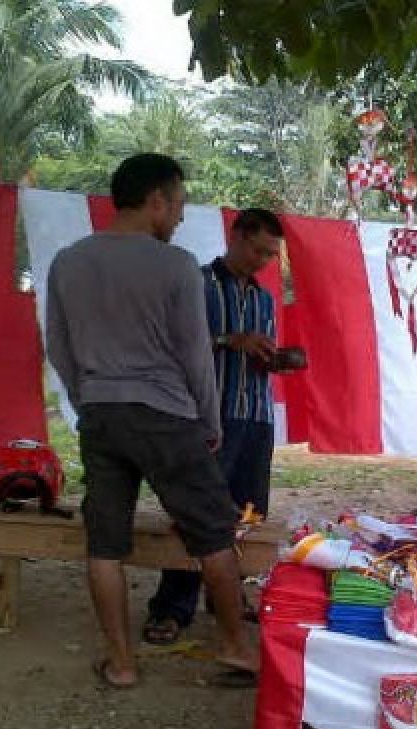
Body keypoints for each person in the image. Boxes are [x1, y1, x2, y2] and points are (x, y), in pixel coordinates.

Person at [45, 153, 258, 688]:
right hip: (166, 414)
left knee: (105, 543)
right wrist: (211, 421)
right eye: (179, 204)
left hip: (100, 414)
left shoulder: (68, 261)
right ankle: (235, 647)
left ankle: (121, 663)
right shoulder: (177, 265)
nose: (181, 217)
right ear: (156, 200)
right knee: (214, 533)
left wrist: (87, 399)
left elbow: (59, 347)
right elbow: (195, 356)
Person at [145, 209, 285, 646]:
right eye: (259, 249)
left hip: (256, 417)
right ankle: (172, 607)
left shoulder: (263, 299)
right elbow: (170, 346)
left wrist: (274, 359)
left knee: (246, 515)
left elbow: (260, 355)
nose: (264, 260)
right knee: (197, 514)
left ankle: (227, 595)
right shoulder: (197, 285)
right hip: (209, 417)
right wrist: (230, 340)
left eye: (271, 254)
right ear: (236, 236)